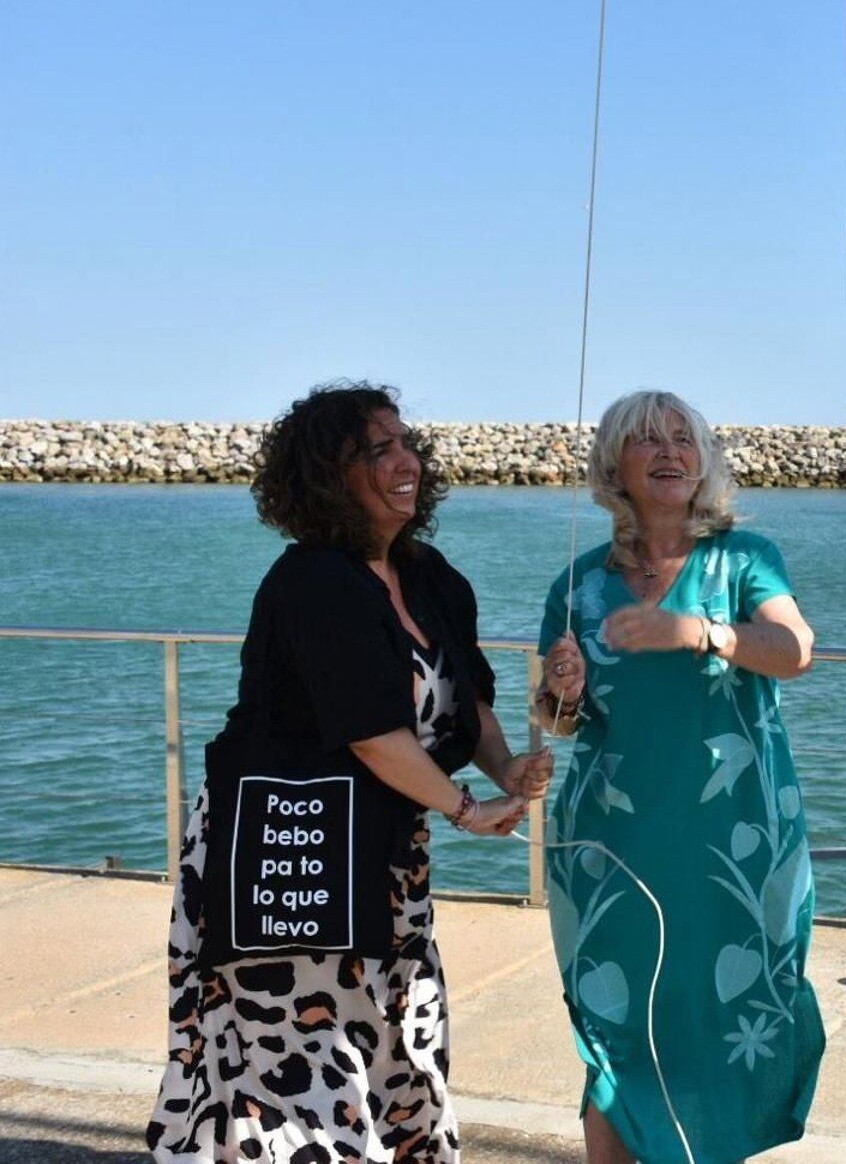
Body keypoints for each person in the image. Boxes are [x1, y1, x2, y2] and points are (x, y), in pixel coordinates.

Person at [148, 383, 553, 1163]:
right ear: (329, 477)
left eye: (406, 444)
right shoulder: (311, 582)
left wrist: (508, 767)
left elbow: (464, 701)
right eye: (378, 450)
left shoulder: (430, 576)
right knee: (300, 1078)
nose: (407, 462)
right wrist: (467, 809)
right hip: (288, 851)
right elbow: (373, 734)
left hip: (386, 861)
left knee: (400, 1056)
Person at [536, 390, 824, 1164]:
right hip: (612, 847)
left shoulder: (746, 559)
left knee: (720, 1031)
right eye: (647, 440)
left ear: (704, 461)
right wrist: (561, 690)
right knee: (613, 1033)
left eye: (683, 439)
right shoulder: (577, 583)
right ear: (614, 465)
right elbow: (558, 720)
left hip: (734, 843)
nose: (669, 452)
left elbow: (795, 650)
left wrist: (695, 630)